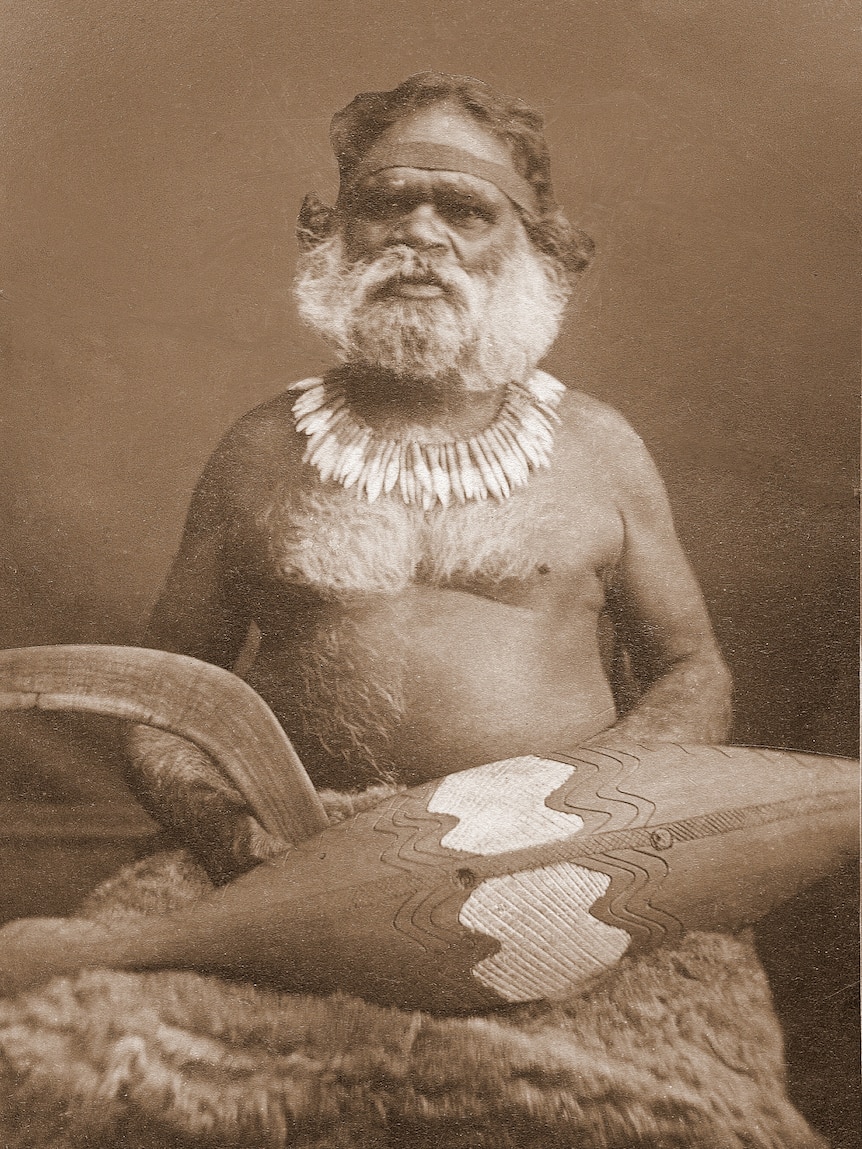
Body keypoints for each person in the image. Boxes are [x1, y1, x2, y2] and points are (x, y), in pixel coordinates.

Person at [125, 72, 732, 882]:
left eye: (465, 210)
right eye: (387, 203)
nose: (420, 232)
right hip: (290, 859)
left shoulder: (599, 447)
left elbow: (694, 672)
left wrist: (587, 807)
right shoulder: (261, 448)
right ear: (336, 232)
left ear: (532, 246)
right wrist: (234, 834)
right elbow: (159, 696)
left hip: (560, 857)